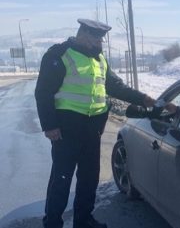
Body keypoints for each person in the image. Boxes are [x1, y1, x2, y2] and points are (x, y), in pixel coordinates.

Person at [35, 18, 155, 228]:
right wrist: (50, 126)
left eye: (101, 40)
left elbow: (116, 87)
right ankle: (52, 223)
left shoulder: (99, 59)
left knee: (89, 179)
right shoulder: (59, 55)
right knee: (61, 180)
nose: (99, 43)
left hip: (92, 130)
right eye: (96, 39)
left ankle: (83, 220)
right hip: (66, 130)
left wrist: (143, 98)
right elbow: (43, 92)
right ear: (83, 35)